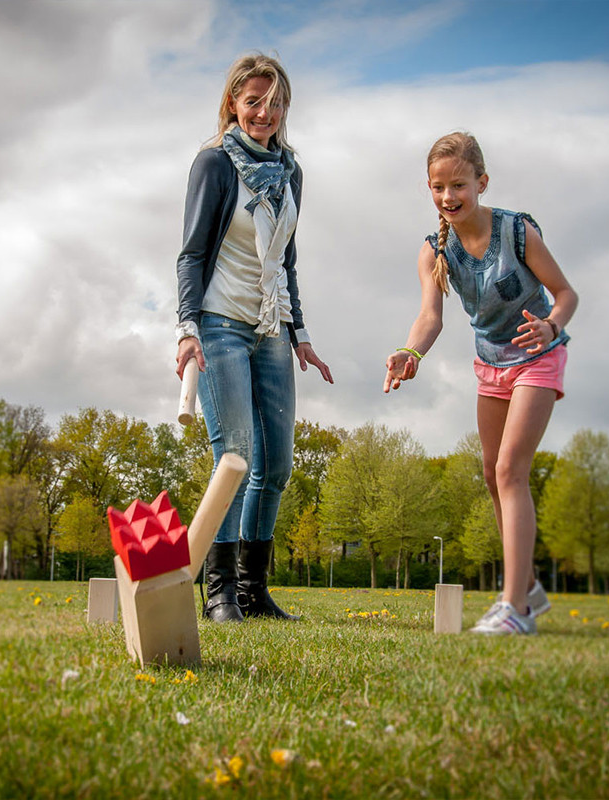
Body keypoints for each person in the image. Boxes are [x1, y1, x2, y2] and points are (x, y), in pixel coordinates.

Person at [383, 131, 578, 635]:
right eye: (438, 187)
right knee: (492, 474)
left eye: (459, 186)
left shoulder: (516, 234)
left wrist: (551, 326)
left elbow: (565, 293)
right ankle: (528, 586)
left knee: (512, 468)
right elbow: (431, 318)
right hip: (490, 365)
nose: (448, 197)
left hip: (538, 356)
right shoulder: (433, 251)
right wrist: (409, 352)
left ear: (481, 182)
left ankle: (514, 608)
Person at [175, 54, 333, 623]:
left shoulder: (291, 171)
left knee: (278, 465)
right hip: (219, 324)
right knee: (236, 458)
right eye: (254, 101)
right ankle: (217, 593)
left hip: (270, 327)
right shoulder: (214, 163)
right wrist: (186, 328)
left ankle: (251, 591)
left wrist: (300, 334)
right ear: (233, 105)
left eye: (276, 102)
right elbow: (192, 254)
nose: (266, 112)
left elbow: (285, 259)